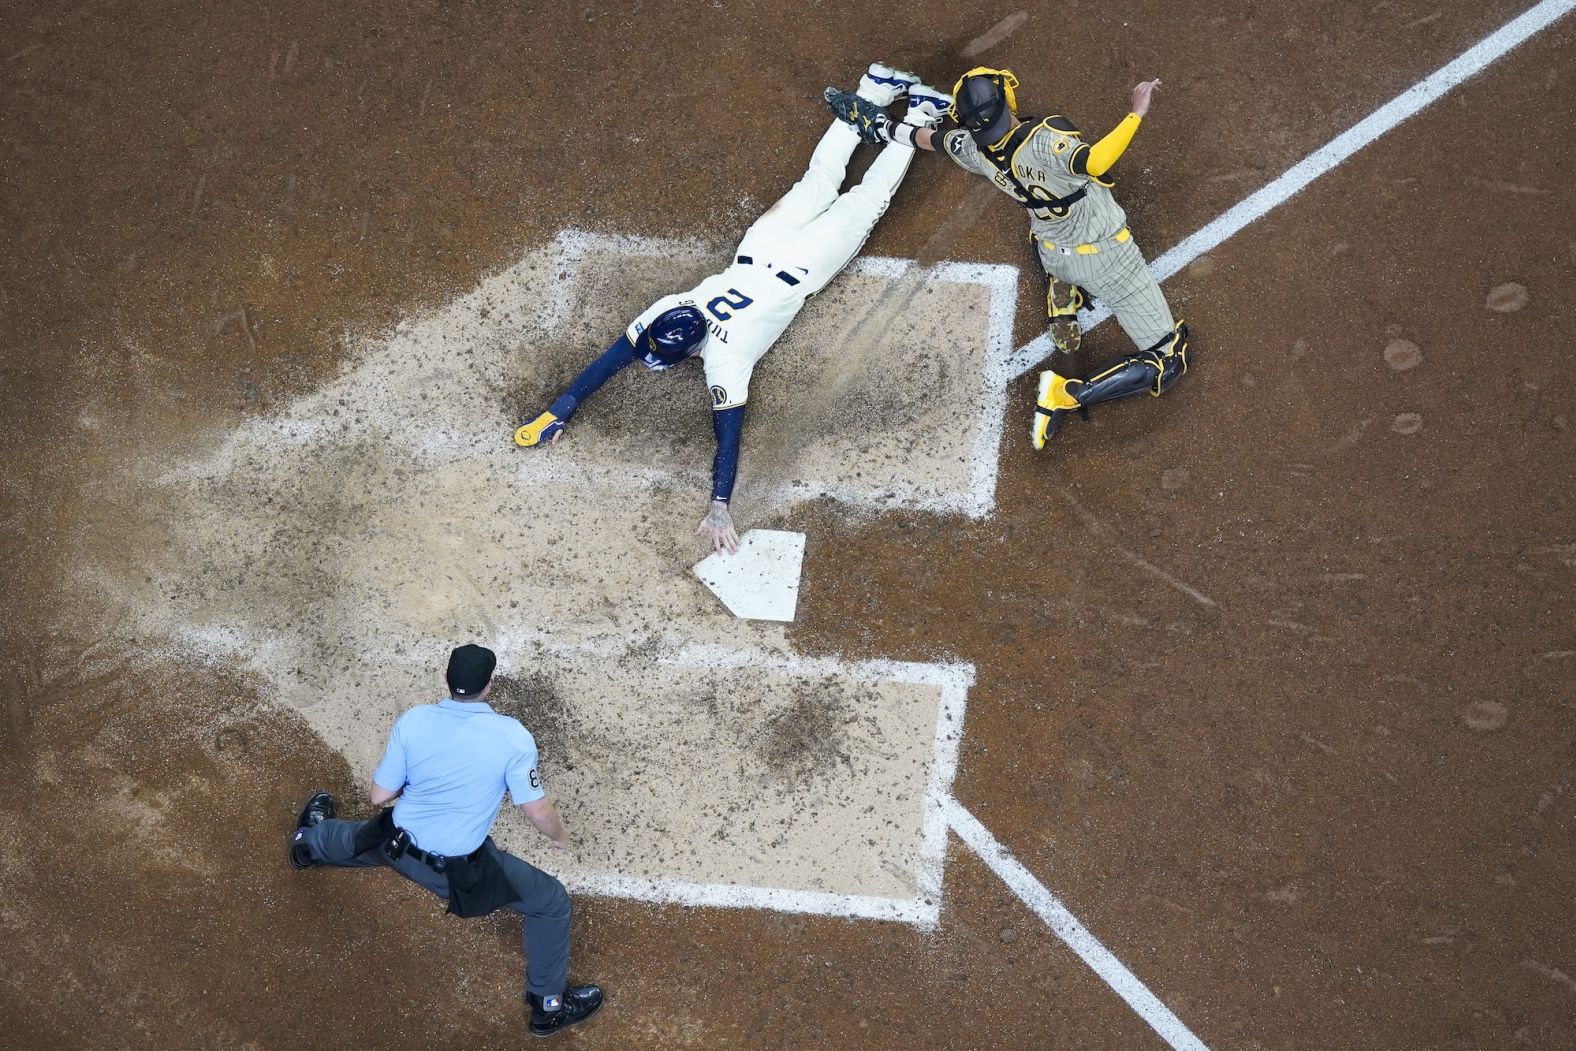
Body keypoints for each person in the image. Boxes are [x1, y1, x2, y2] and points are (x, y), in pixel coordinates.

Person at [513, 63, 953, 554]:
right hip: (766, 240)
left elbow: (726, 436)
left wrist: (720, 504)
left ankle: (921, 111)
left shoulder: (727, 357)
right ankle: (875, 88)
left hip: (803, 260)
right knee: (823, 177)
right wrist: (558, 411)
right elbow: (620, 359)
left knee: (867, 198)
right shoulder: (676, 308)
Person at [826, 66, 1191, 449]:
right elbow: (1095, 162)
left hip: (1052, 250)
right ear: (1005, 102)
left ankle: (1061, 298)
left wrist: (881, 126)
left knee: (1047, 233)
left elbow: (925, 137)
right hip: (1107, 262)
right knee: (1171, 356)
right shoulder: (1048, 141)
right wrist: (1136, 112)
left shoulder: (971, 149)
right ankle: (1064, 395)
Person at [287, 644, 602, 1038]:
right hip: (454, 874)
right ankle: (549, 1007)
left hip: (394, 843)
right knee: (551, 902)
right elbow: (536, 810)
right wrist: (560, 837)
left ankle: (306, 844)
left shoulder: (415, 721)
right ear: (489, 686)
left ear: (447, 680)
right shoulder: (513, 737)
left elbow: (378, 797)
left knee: (363, 841)